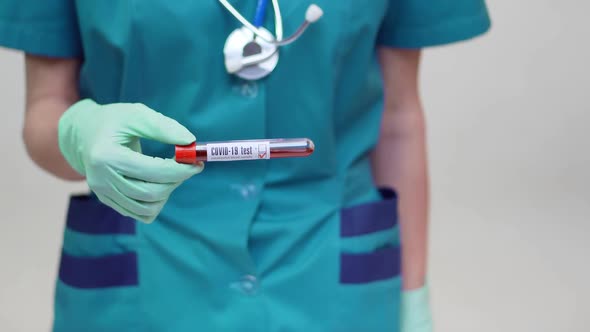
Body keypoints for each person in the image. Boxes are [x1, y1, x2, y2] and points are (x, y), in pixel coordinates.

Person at [0, 0, 490, 331]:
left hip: (333, 278)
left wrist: (412, 297)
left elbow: (398, 118)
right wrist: (80, 133)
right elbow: (45, 110)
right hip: (145, 275)